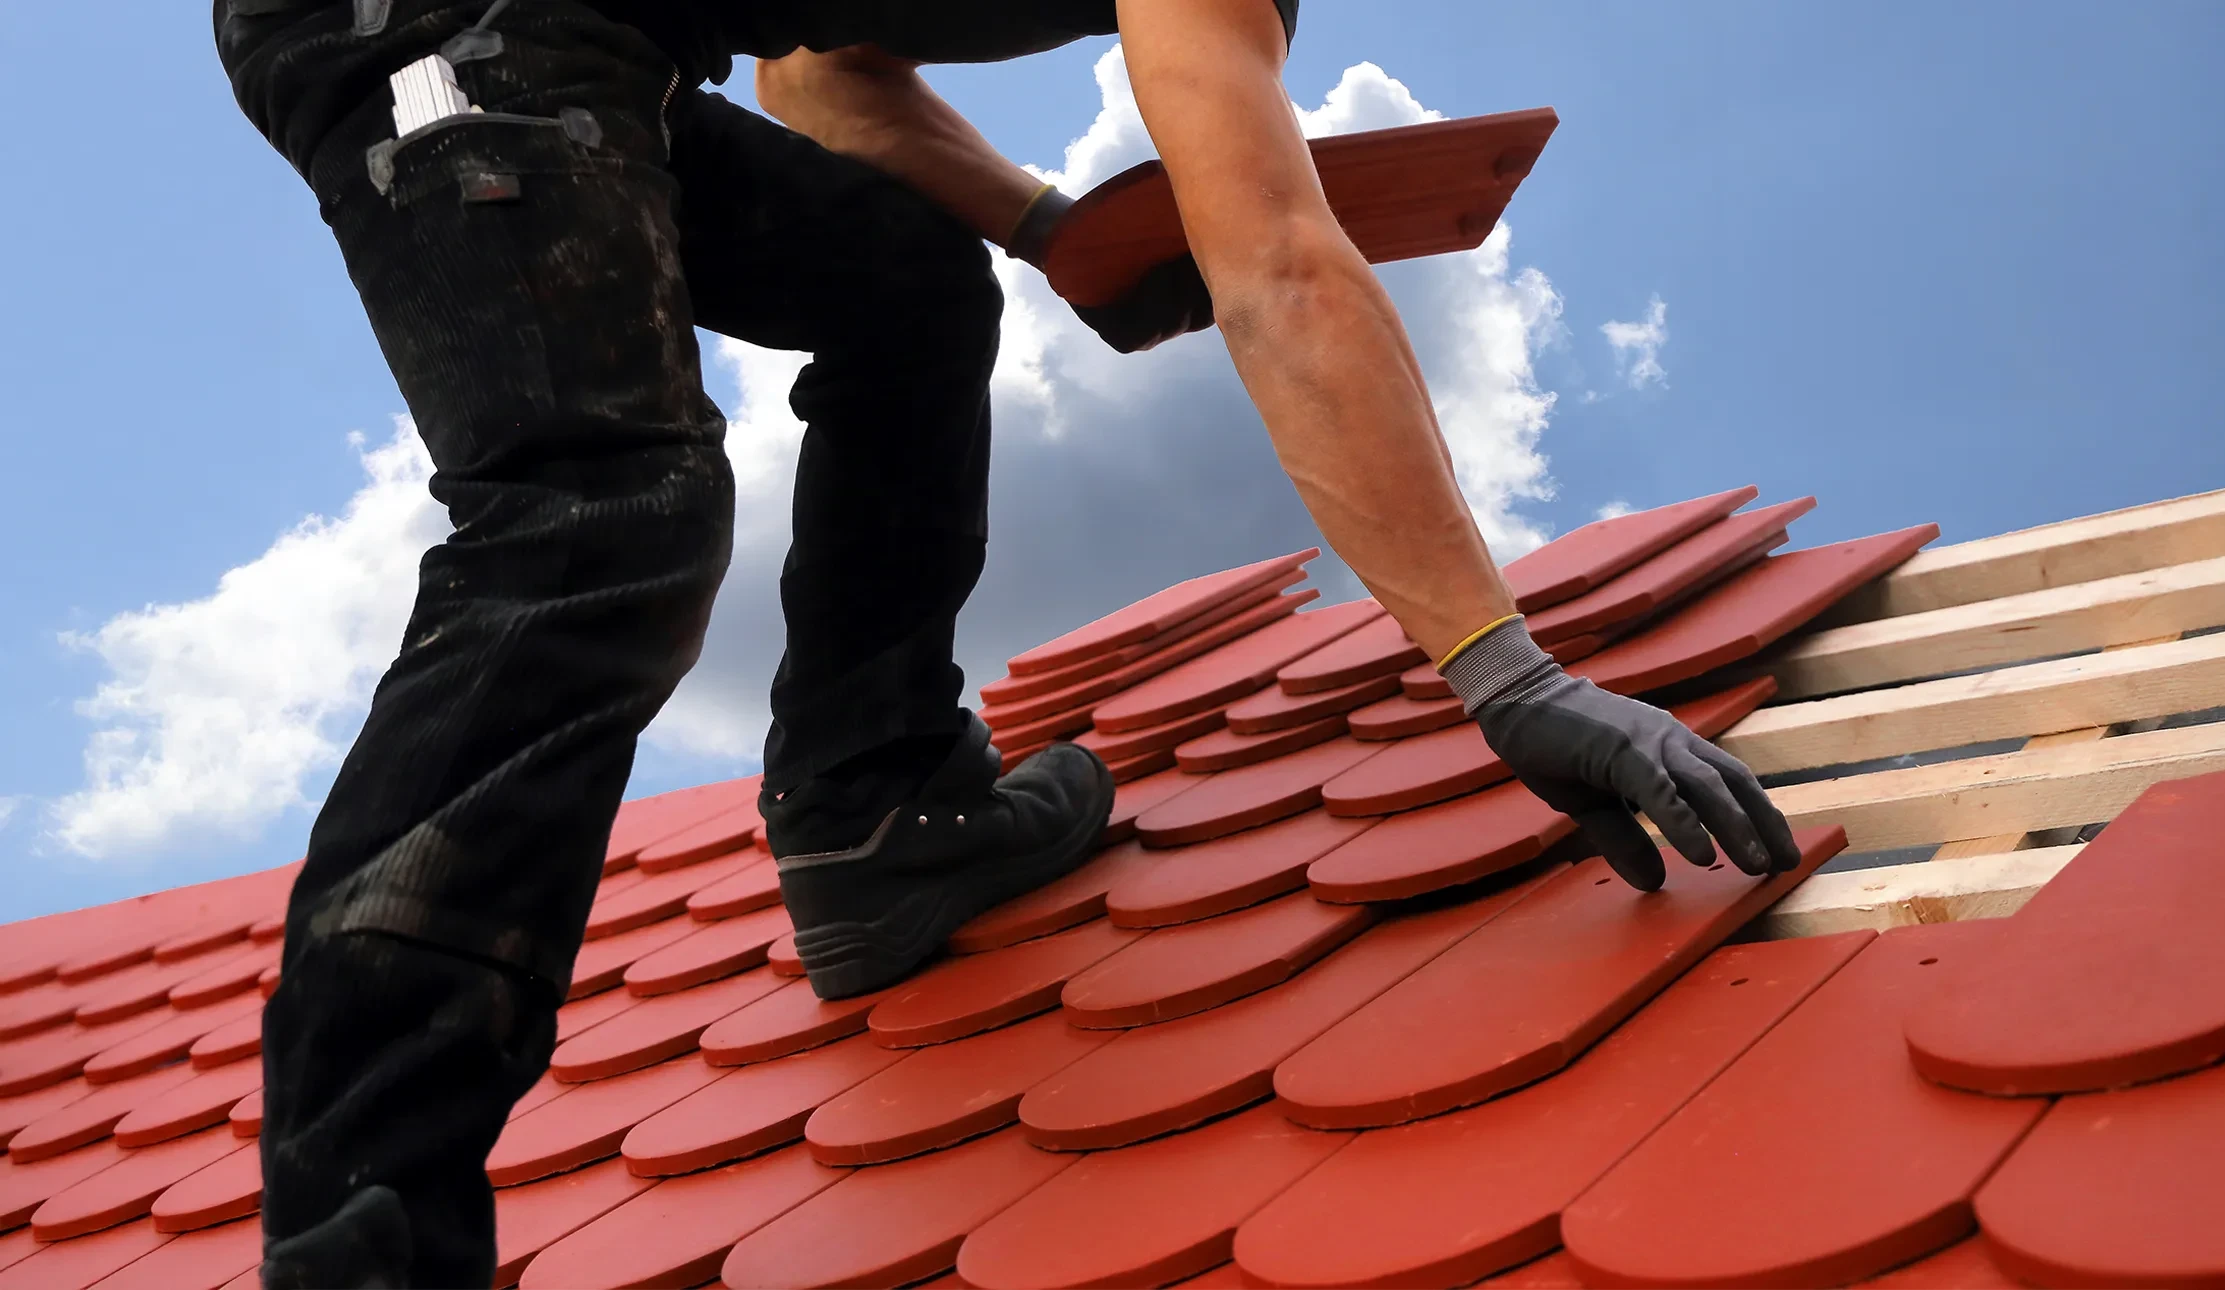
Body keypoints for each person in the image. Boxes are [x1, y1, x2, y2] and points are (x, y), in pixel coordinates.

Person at [214, 0, 1799, 1283]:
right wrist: (1504, 671)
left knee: (904, 280)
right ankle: (366, 1219)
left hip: (595, 36)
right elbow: (1284, 268)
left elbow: (826, 82)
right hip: (436, 17)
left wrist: (1055, 234)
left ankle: (876, 816)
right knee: (598, 510)